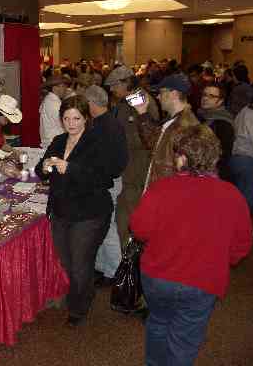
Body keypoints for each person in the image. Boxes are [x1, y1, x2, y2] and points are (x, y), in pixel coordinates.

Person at [130, 124, 253, 366]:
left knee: (158, 322)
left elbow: (139, 229)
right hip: (203, 280)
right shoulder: (232, 195)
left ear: (182, 158)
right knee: (185, 338)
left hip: (158, 275)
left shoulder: (161, 188)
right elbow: (242, 244)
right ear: (215, 157)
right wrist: (221, 258)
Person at [35, 95, 115, 327]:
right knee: (67, 262)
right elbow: (41, 171)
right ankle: (84, 291)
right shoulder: (59, 141)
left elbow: (103, 178)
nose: (71, 123)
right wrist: (45, 167)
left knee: (80, 263)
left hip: (89, 212)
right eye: (66, 118)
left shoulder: (97, 142)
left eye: (76, 118)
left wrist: (70, 168)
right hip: (61, 211)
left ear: (86, 118)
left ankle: (79, 307)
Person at [105, 65, 160, 246]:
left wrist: (115, 141)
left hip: (135, 171)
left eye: (114, 85)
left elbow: (146, 137)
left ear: (126, 82)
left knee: (128, 218)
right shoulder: (126, 101)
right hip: (126, 169)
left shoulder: (140, 100)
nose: (112, 90)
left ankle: (129, 264)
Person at [83, 85, 129, 286]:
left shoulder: (102, 126)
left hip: (105, 184)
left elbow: (104, 161)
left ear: (91, 104)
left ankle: (114, 271)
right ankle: (103, 267)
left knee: (107, 228)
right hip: (109, 181)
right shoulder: (110, 121)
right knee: (101, 227)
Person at [133, 74, 199, 189]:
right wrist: (142, 112)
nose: (158, 97)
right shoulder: (173, 121)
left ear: (173, 94)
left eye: (162, 92)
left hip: (168, 193)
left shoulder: (184, 126)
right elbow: (154, 143)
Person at [229, 86, 253, 212]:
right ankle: (243, 228)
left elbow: (235, 128)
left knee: (239, 197)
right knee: (246, 200)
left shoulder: (246, 109)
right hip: (247, 161)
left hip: (238, 158)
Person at [197, 84, 235, 181]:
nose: (205, 98)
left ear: (220, 101)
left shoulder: (223, 123)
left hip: (213, 174)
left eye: (211, 96)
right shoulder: (202, 115)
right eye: (204, 94)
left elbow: (224, 154)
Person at [39, 75, 68, 149]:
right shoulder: (54, 103)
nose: (65, 89)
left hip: (52, 141)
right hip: (54, 143)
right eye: (63, 86)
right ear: (55, 88)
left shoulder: (50, 100)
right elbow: (64, 124)